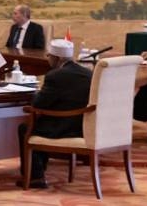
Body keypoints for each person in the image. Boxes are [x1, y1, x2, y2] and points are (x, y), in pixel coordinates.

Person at [17, 38, 92, 189]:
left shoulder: (55, 76)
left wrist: (37, 93)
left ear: (57, 58)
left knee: (26, 128)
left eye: (49, 56)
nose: (48, 59)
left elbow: (38, 104)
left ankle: (34, 177)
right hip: (85, 126)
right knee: (42, 122)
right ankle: (39, 170)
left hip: (65, 128)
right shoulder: (88, 73)